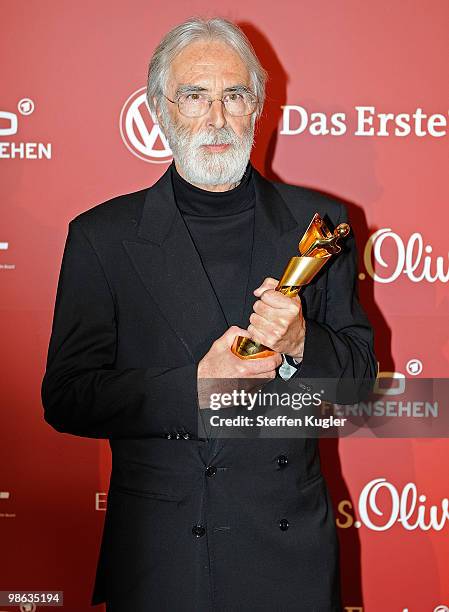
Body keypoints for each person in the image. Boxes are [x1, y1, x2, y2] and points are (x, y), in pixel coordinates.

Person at [41, 16, 377, 612]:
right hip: (163, 553)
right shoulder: (102, 237)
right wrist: (196, 388)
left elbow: (355, 393)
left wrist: (304, 341)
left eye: (234, 95)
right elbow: (67, 396)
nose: (217, 118)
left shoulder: (319, 226)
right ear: (159, 110)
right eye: (195, 96)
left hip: (288, 553)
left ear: (258, 108)